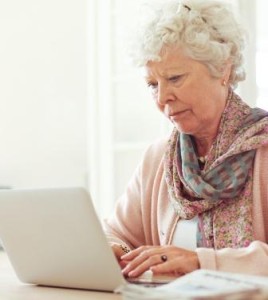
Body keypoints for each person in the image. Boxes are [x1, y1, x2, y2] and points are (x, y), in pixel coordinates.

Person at [104, 0, 268, 278]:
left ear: (223, 70)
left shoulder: (262, 149)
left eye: (175, 78)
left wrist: (200, 262)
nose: (161, 97)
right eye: (153, 84)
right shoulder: (159, 158)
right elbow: (116, 233)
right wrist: (116, 250)